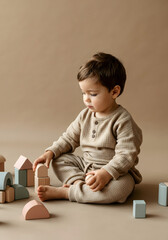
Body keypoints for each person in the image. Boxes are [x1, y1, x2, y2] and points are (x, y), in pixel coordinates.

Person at [33, 52, 142, 204]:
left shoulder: (123, 120)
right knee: (58, 159)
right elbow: (69, 138)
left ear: (114, 92)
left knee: (120, 188)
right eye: (83, 93)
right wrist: (51, 151)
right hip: (86, 166)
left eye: (93, 94)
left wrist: (106, 173)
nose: (86, 99)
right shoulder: (85, 115)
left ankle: (68, 192)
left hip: (114, 173)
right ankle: (79, 184)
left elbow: (126, 155)